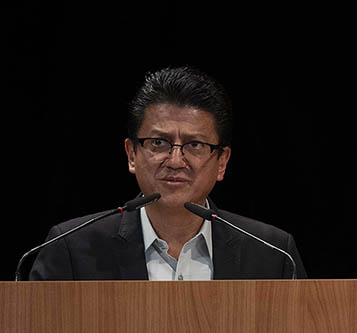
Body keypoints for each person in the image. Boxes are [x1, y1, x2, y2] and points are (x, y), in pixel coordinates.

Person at [29, 66, 306, 281]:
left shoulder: (272, 254)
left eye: (194, 145)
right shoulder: (71, 249)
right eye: (158, 143)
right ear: (131, 154)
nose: (175, 161)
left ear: (222, 161)